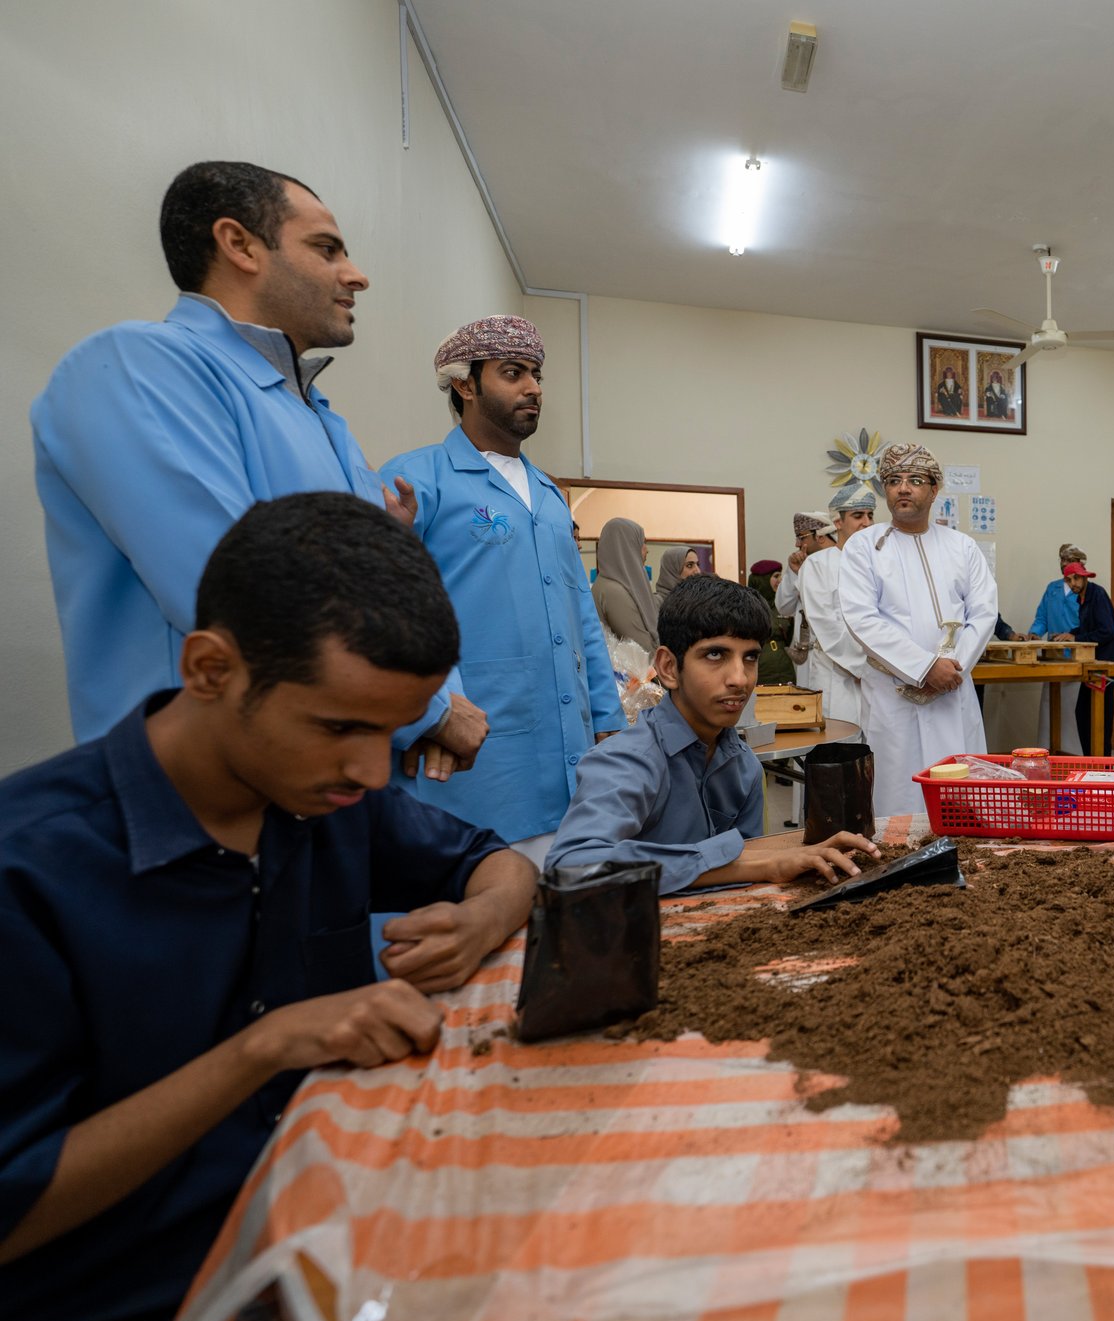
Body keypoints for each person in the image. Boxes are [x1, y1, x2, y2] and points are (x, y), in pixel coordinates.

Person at [0, 494, 533, 1321]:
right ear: (211, 668)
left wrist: (480, 921)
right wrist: (262, 1048)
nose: (370, 770)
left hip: (320, 1257)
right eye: (339, 727)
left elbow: (498, 861)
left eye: (393, 734)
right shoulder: (31, 867)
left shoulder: (320, 800)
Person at [29, 160, 484, 777]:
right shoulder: (136, 368)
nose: (357, 275)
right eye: (327, 249)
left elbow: (398, 593)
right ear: (238, 244)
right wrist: (427, 710)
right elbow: (234, 594)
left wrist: (443, 703)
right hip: (192, 802)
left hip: (333, 796)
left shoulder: (323, 420)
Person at [380, 317, 622, 859]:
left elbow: (581, 611)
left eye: (536, 374)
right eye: (512, 373)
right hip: (473, 763)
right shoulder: (417, 479)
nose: (533, 387)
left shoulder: (551, 496)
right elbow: (382, 609)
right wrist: (434, 706)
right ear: (465, 384)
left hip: (569, 760)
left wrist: (607, 717)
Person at [548, 576, 877, 892]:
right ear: (667, 668)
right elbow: (571, 867)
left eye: (750, 657)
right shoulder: (628, 759)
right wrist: (761, 865)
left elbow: (745, 876)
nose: (740, 678)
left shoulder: (742, 763)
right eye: (715, 654)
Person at [840, 443, 1001, 816]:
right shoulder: (864, 546)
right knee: (899, 794)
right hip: (892, 693)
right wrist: (924, 667)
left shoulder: (962, 546)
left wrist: (951, 668)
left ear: (934, 489)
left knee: (962, 793)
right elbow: (861, 617)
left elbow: (984, 612)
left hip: (953, 691)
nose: (903, 489)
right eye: (894, 481)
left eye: (914, 480)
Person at [797, 483, 878, 725]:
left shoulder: (882, 564)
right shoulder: (817, 565)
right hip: (837, 672)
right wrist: (864, 667)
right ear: (838, 522)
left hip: (879, 674)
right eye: (858, 516)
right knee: (842, 745)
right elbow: (826, 623)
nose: (866, 522)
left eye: (870, 515)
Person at [1056, 561, 1114, 755]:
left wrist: (1076, 637)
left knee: (1100, 716)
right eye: (1069, 580)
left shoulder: (1098, 594)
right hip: (1095, 665)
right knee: (1084, 714)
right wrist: (1070, 633)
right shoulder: (1082, 598)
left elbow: (1106, 631)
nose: (1073, 583)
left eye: (1076, 578)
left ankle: (1103, 762)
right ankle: (1091, 758)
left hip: (1108, 665)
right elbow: (1089, 628)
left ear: (1085, 576)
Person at [591, 518, 660, 656]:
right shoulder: (613, 591)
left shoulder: (614, 585)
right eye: (642, 542)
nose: (647, 550)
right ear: (626, 546)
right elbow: (644, 650)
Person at [780, 512, 832, 691]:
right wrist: (793, 572)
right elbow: (784, 607)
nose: (797, 544)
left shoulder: (845, 563)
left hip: (834, 659)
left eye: (802, 537)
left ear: (821, 536)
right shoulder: (803, 566)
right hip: (805, 657)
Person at [746, 558, 799, 686]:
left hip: (784, 667)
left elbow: (790, 635)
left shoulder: (783, 606)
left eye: (780, 576)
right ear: (763, 580)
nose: (780, 580)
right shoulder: (749, 607)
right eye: (776, 576)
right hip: (760, 668)